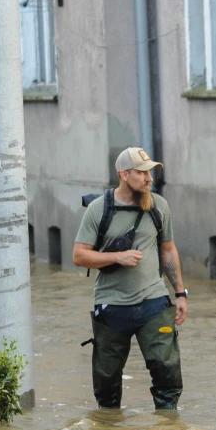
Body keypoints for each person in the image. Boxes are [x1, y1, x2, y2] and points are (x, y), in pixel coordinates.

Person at [72, 147, 190, 410]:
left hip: (153, 300)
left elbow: (168, 249)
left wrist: (180, 294)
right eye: (142, 172)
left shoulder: (158, 206)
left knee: (167, 373)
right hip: (111, 303)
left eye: (151, 172)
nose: (149, 178)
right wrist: (117, 257)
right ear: (124, 174)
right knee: (106, 384)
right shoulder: (98, 209)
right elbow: (79, 256)